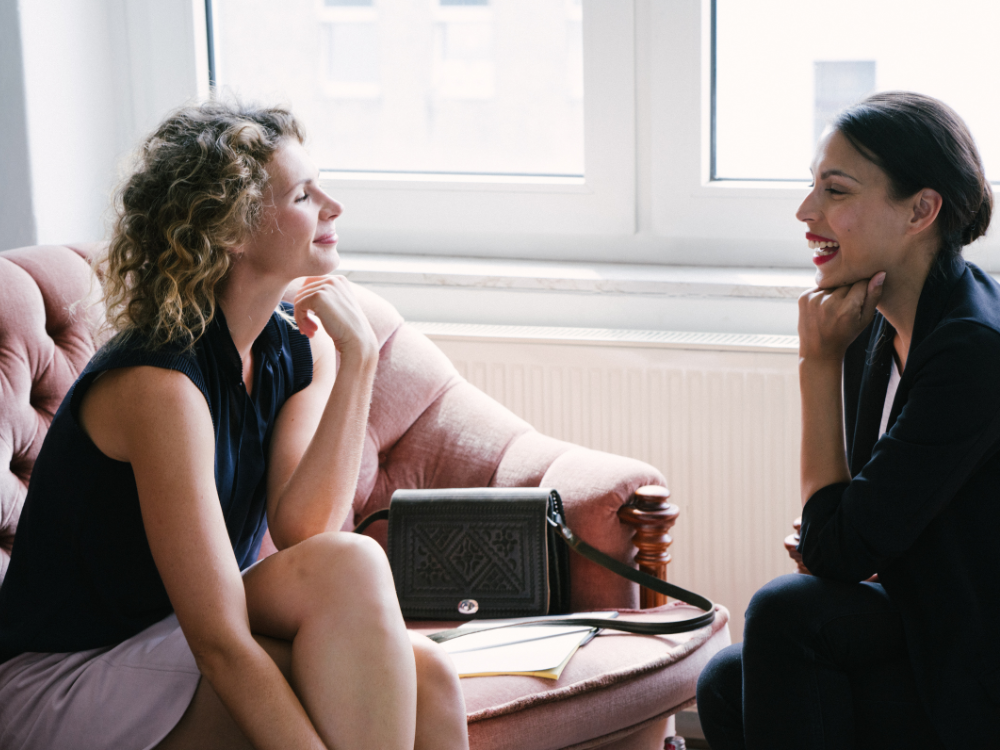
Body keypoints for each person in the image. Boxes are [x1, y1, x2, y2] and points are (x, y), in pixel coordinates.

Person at [0, 102, 469, 750]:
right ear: (231, 231)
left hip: (170, 638)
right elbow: (220, 643)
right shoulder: (159, 384)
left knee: (431, 678)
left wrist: (358, 360)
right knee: (353, 600)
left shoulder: (298, 347)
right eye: (303, 195)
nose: (333, 207)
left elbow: (306, 533)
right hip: (66, 675)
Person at [696, 92, 998, 749]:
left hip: (975, 663)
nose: (806, 212)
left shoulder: (973, 350)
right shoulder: (876, 319)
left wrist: (816, 363)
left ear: (920, 210)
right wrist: (838, 537)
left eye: (835, 191)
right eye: (812, 187)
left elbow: (834, 550)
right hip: (928, 616)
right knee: (725, 679)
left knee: (784, 615)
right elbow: (844, 537)